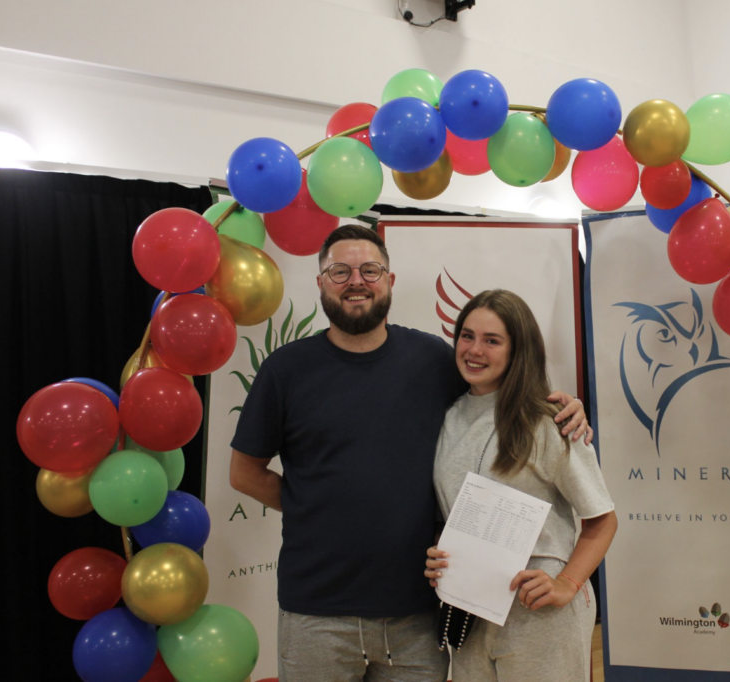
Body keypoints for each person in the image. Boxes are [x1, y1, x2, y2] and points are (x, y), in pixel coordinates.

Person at [229, 225, 590, 682]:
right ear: (320, 282)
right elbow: (244, 473)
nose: (356, 280)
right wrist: (313, 504)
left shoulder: (433, 359)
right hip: (317, 612)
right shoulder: (286, 370)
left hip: (420, 613)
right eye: (339, 271)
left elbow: (498, 390)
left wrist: (558, 404)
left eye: (369, 269)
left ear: (390, 281)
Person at [425, 289, 617, 682]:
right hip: (469, 612)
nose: (475, 349)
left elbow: (603, 521)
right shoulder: (448, 416)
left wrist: (567, 583)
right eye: (467, 336)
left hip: (539, 616)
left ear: (518, 350)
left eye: (492, 341)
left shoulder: (550, 422)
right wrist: (440, 557)